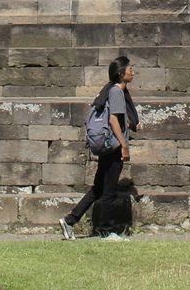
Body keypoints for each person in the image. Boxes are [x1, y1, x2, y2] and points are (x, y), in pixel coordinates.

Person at [59, 54, 139, 239]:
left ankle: (70, 220)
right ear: (121, 73)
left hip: (107, 144)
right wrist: (124, 145)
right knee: (109, 191)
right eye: (130, 69)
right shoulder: (117, 91)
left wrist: (131, 125)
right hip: (114, 146)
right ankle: (106, 230)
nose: (132, 72)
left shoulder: (110, 89)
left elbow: (117, 117)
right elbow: (113, 120)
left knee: (98, 188)